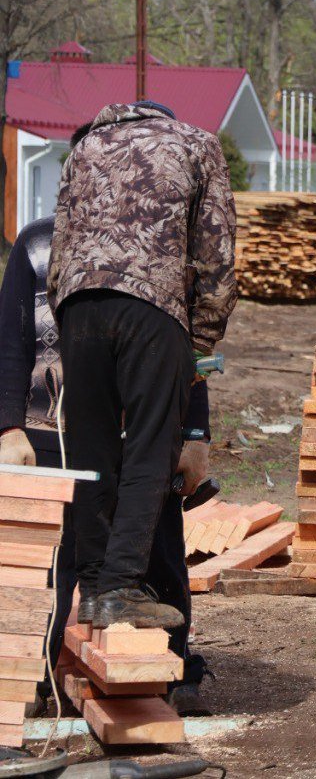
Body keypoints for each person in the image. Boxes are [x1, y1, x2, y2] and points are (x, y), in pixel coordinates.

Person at [0, 216, 212, 716]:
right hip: (50, 432)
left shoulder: (162, 243)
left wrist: (195, 435)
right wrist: (9, 427)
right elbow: (10, 342)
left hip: (144, 436)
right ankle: (32, 679)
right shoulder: (37, 244)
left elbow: (194, 350)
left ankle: (171, 673)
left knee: (158, 559)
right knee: (54, 566)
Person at [49, 101, 236, 629]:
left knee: (91, 452)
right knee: (152, 450)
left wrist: (69, 320)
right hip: (153, 307)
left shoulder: (85, 147)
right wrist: (198, 347)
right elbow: (217, 254)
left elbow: (62, 244)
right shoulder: (197, 143)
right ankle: (120, 588)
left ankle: (90, 587)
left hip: (78, 305)